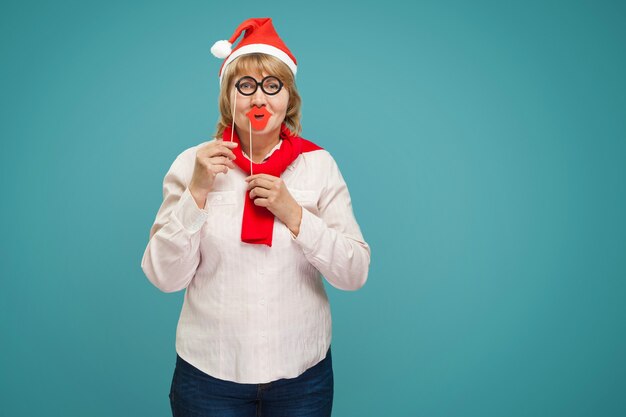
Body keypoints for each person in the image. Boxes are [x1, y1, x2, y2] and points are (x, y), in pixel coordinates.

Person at [141, 17, 370, 417]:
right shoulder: (191, 165)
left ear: (289, 99)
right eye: (245, 86)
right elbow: (164, 277)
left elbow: (354, 273)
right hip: (209, 375)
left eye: (272, 85)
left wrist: (295, 215)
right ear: (228, 97)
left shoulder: (318, 166)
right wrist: (196, 191)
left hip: (303, 377)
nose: (258, 99)